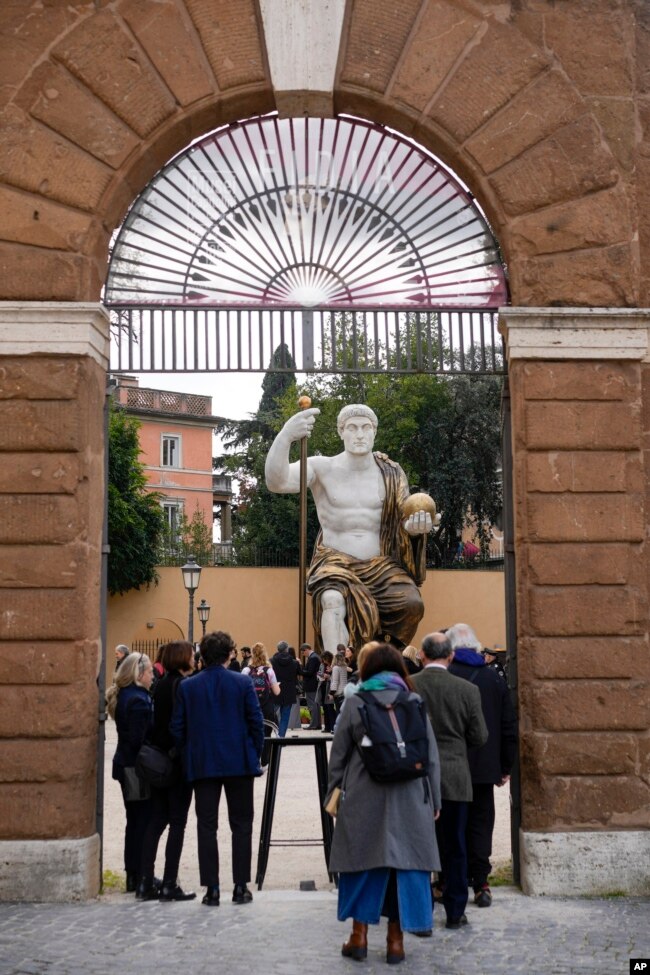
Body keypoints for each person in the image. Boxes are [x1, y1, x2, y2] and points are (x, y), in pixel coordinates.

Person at [265, 404, 435, 655]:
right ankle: (339, 674)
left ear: (374, 433)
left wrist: (414, 529)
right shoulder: (322, 467)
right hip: (335, 564)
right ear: (340, 432)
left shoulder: (392, 472)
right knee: (332, 601)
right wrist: (286, 435)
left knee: (412, 604)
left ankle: (380, 661)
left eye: (366, 428)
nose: (359, 434)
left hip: (382, 567)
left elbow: (401, 522)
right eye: (352, 428)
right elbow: (276, 481)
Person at [325, 642, 441, 964]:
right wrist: (434, 798)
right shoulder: (414, 701)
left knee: (363, 864)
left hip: (364, 795)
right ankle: (395, 942)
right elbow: (430, 756)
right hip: (410, 797)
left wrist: (334, 794)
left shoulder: (356, 701)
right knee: (405, 867)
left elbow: (339, 757)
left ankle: (359, 937)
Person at [170, 631, 264, 907]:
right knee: (242, 825)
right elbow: (256, 722)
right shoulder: (242, 682)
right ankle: (240, 886)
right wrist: (253, 753)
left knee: (206, 826)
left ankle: (211, 888)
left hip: (204, 762)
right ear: (229, 654)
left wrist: (190, 752)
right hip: (238, 762)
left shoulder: (188, 686)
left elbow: (178, 728)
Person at [412, 633, 488, 930]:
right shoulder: (467, 690)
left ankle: (421, 913)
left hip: (418, 778)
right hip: (455, 776)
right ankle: (455, 911)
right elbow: (479, 736)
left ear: (422, 654)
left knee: (419, 847)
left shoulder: (410, 685)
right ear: (451, 656)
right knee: (456, 846)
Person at [447, 623, 517, 908]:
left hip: (451, 769)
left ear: (450, 650)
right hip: (484, 767)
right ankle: (481, 883)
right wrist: (505, 765)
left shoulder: (446, 676)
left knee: (453, 825)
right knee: (480, 824)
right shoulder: (493, 679)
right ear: (477, 648)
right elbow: (508, 726)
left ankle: (451, 881)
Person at [136, 640, 196, 902]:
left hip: (159, 759)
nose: (195, 658)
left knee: (157, 822)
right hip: (176, 763)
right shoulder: (182, 685)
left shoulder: (160, 684)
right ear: (183, 657)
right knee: (178, 823)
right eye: (192, 655)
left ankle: (145, 881)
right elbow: (182, 726)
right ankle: (170, 882)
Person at [106, 652, 154, 894]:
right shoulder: (137, 699)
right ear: (139, 674)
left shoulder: (127, 695)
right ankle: (140, 875)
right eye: (150, 673)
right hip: (136, 769)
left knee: (134, 822)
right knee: (141, 823)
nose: (153, 676)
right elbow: (138, 739)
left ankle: (134, 875)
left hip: (126, 765)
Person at [242, 641, 281, 765]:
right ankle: (265, 760)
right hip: (266, 707)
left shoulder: (246, 670)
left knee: (251, 732)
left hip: (251, 707)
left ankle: (253, 760)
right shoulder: (269, 671)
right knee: (266, 733)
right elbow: (276, 692)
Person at [270, 639, 302, 738]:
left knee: (271, 712)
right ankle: (281, 737)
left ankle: (269, 732)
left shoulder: (271, 661)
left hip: (276, 689)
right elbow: (299, 673)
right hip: (289, 691)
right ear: (287, 650)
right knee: (285, 716)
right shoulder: (294, 663)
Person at [301, 642, 322, 730]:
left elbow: (309, 672)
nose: (303, 654)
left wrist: (300, 668)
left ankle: (313, 725)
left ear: (306, 650)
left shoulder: (313, 658)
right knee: (315, 705)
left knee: (312, 705)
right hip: (313, 684)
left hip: (311, 685)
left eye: (303, 652)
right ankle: (317, 724)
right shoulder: (315, 656)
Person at [317, 650, 336, 732]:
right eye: (323, 659)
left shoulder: (333, 665)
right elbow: (318, 673)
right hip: (323, 686)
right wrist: (320, 675)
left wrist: (329, 676)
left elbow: (335, 677)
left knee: (330, 708)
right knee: (325, 708)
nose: (324, 661)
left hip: (330, 688)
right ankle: (327, 727)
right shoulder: (322, 664)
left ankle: (332, 727)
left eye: (325, 659)